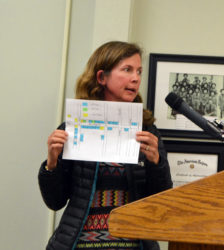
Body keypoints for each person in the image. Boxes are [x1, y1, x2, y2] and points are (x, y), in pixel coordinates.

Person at [38, 41, 173, 250]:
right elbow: (55, 202)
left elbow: (161, 200)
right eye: (127, 70)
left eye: (139, 71)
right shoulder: (73, 128)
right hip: (79, 243)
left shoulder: (147, 131)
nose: (136, 78)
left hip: (133, 245)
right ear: (101, 77)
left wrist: (156, 162)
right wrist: (52, 162)